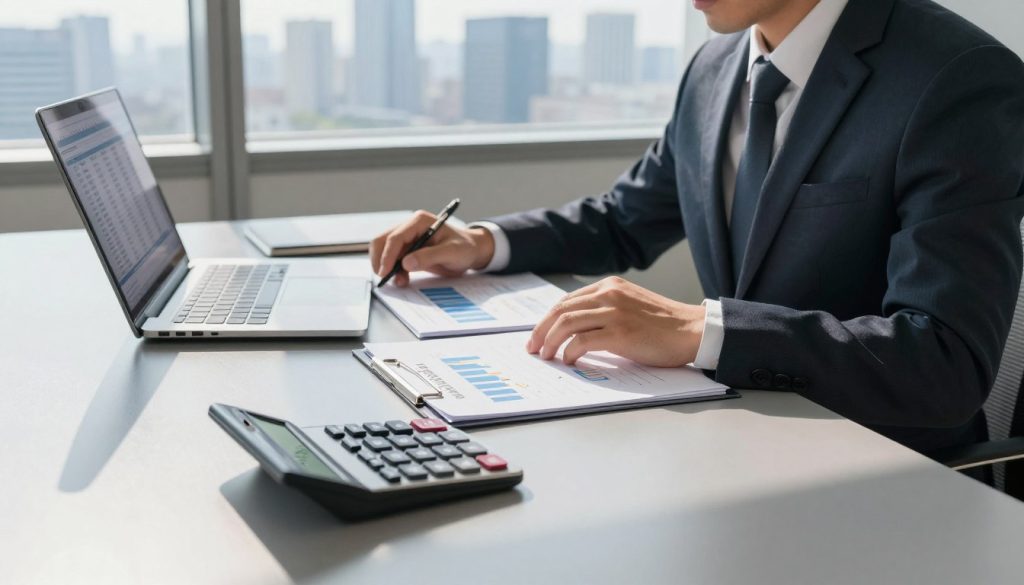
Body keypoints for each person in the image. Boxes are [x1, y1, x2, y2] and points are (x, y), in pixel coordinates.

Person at [370, 0, 1024, 456]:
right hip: (730, 438)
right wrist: (482, 242)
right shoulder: (715, 67)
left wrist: (701, 329)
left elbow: (945, 363)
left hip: (884, 475)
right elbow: (624, 220)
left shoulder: (956, 80)